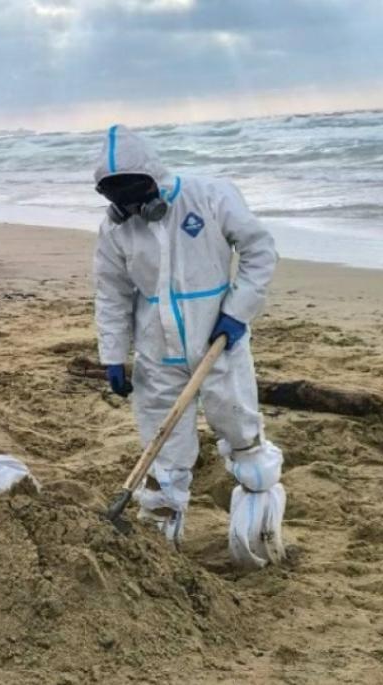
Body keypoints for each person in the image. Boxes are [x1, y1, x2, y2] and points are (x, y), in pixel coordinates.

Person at [92, 124, 284, 566]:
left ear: (154, 179)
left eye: (138, 193)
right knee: (165, 452)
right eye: (120, 199)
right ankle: (162, 552)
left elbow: (259, 250)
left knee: (241, 434)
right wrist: (113, 353)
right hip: (157, 355)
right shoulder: (115, 230)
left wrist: (238, 311)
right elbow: (112, 291)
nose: (133, 207)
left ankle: (259, 518)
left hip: (219, 343)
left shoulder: (211, 197)